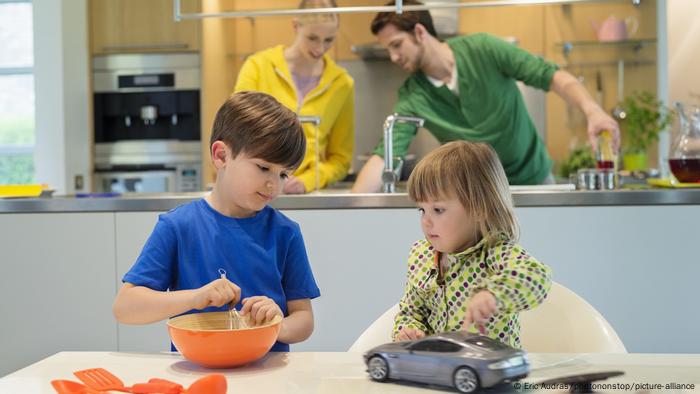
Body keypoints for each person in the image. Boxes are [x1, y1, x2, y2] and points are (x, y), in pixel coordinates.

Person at [113, 91, 320, 352]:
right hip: (196, 374)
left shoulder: (285, 233)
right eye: (264, 168)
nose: (273, 184)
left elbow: (304, 319)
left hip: (267, 374)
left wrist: (278, 324)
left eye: (283, 174)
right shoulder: (178, 226)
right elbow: (125, 308)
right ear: (221, 156)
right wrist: (196, 297)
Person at [352, 0, 620, 191]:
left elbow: (550, 75)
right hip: (483, 197)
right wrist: (354, 206)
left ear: (420, 33)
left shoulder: (483, 48)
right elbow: (385, 155)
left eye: (396, 45)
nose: (393, 57)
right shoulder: (413, 94)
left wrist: (592, 111)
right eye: (388, 49)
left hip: (535, 183)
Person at [394, 140, 552, 348]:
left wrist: (493, 294)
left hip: (492, 371)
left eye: (438, 210)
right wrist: (408, 330)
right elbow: (412, 311)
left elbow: (537, 278)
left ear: (479, 208)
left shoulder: (495, 253)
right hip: (440, 371)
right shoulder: (421, 255)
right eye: (422, 210)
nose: (426, 221)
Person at [235, 0, 354, 194]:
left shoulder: (343, 84)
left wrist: (307, 181)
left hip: (303, 193)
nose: (320, 48)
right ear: (295, 25)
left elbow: (340, 159)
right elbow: (236, 133)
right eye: (312, 38)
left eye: (329, 40)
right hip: (253, 187)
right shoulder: (258, 66)